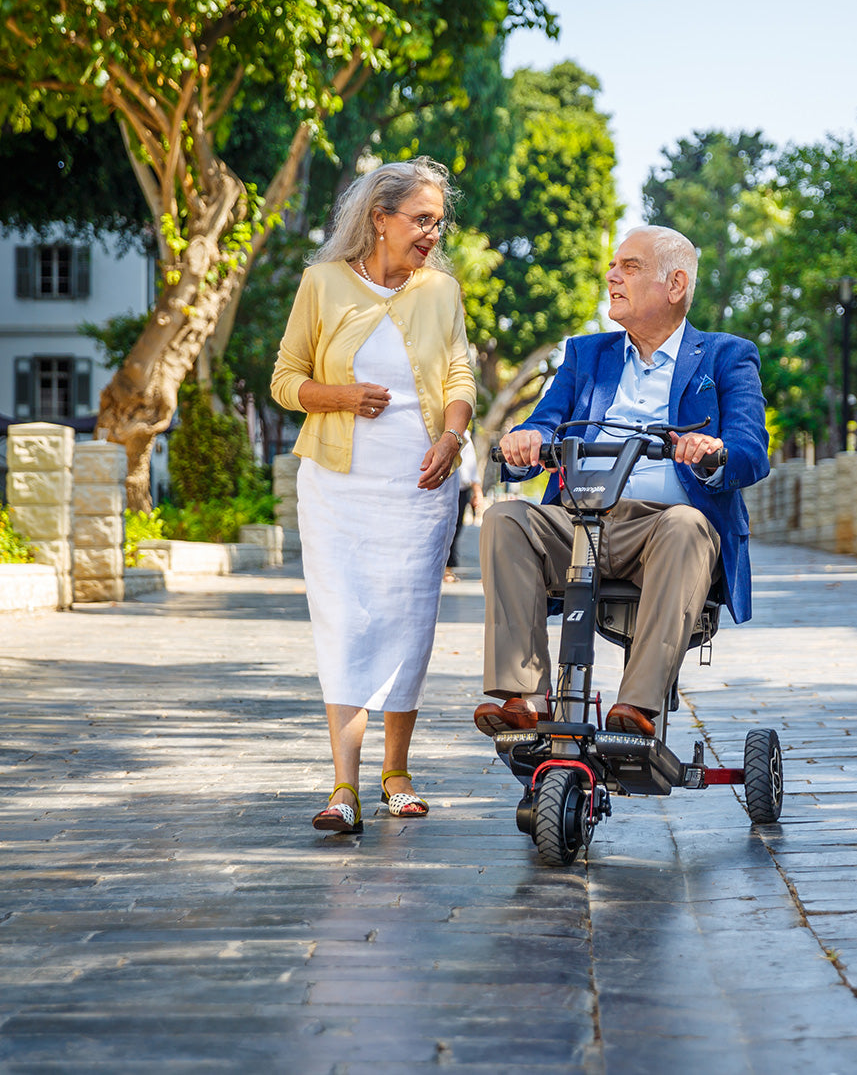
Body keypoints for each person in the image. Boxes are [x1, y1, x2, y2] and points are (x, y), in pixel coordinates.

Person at [473, 225, 770, 738]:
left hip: (665, 531)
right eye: (613, 266)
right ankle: (525, 694)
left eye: (629, 267)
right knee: (505, 519)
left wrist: (712, 453)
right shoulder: (589, 356)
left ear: (675, 285)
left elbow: (751, 451)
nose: (612, 276)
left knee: (685, 525)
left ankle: (637, 707)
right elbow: (545, 423)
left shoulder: (725, 356)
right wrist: (525, 441)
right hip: (580, 521)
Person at [271, 156, 476, 833]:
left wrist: (451, 438)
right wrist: (338, 396)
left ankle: (396, 771)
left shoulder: (440, 291)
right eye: (420, 220)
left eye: (436, 223)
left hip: (418, 489)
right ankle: (342, 786)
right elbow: (284, 379)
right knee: (345, 621)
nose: (430, 234)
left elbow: (457, 373)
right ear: (379, 218)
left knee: (406, 621)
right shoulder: (321, 283)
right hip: (335, 486)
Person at [444, 439, 483, 583]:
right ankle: (444, 567)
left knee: (455, 528)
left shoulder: (464, 434)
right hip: (441, 484)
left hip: (461, 488)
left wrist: (477, 492)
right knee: (444, 527)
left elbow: (471, 467)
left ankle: (448, 567)